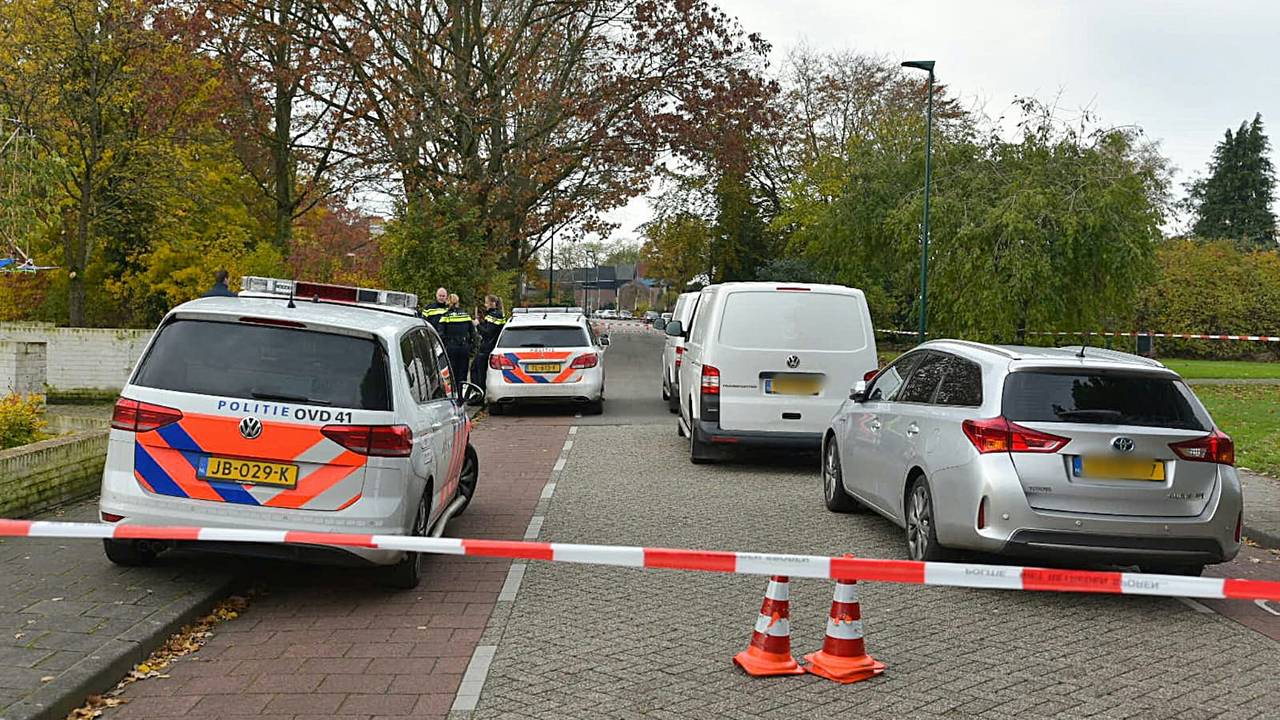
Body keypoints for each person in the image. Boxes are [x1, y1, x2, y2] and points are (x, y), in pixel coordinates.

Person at [439, 293, 477, 392]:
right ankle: (461, 394)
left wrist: (446, 345)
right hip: (464, 347)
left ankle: (453, 393)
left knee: (452, 373)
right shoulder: (466, 315)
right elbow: (473, 333)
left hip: (451, 348)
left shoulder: (445, 316)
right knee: (463, 373)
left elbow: (441, 334)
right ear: (458, 302)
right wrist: (472, 348)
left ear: (448, 302)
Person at [471, 295, 507, 392]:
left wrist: (477, 325)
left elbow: (488, 333)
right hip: (490, 346)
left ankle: (479, 394)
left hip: (487, 347)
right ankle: (479, 392)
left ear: (492, 303)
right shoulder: (496, 314)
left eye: (486, 302)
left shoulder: (494, 315)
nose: (485, 305)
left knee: (479, 371)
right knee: (475, 368)